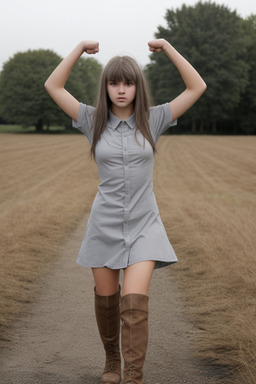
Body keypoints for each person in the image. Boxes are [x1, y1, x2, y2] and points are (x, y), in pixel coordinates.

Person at [45, 38, 206, 384]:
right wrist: (77, 48)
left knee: (134, 301)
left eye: (128, 82)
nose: (121, 90)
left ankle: (133, 375)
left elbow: (197, 86)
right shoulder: (91, 120)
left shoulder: (154, 119)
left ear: (137, 86)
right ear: (105, 87)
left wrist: (168, 47)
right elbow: (53, 85)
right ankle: (112, 360)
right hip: (103, 224)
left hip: (144, 225)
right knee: (107, 301)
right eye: (114, 83)